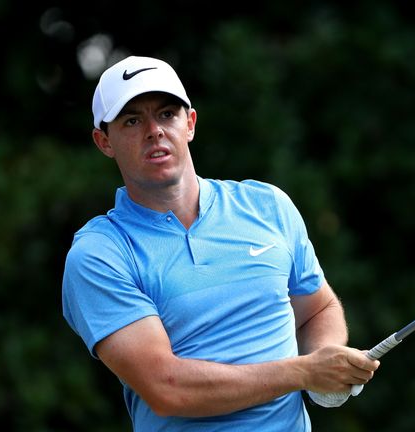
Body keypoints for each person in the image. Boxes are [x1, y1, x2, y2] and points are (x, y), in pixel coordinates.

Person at [61, 55, 380, 431]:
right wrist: (304, 372)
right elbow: (168, 387)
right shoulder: (100, 253)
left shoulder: (267, 206)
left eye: (167, 115)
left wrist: (326, 354)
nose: (154, 131)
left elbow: (316, 308)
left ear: (190, 123)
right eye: (132, 120)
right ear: (104, 142)